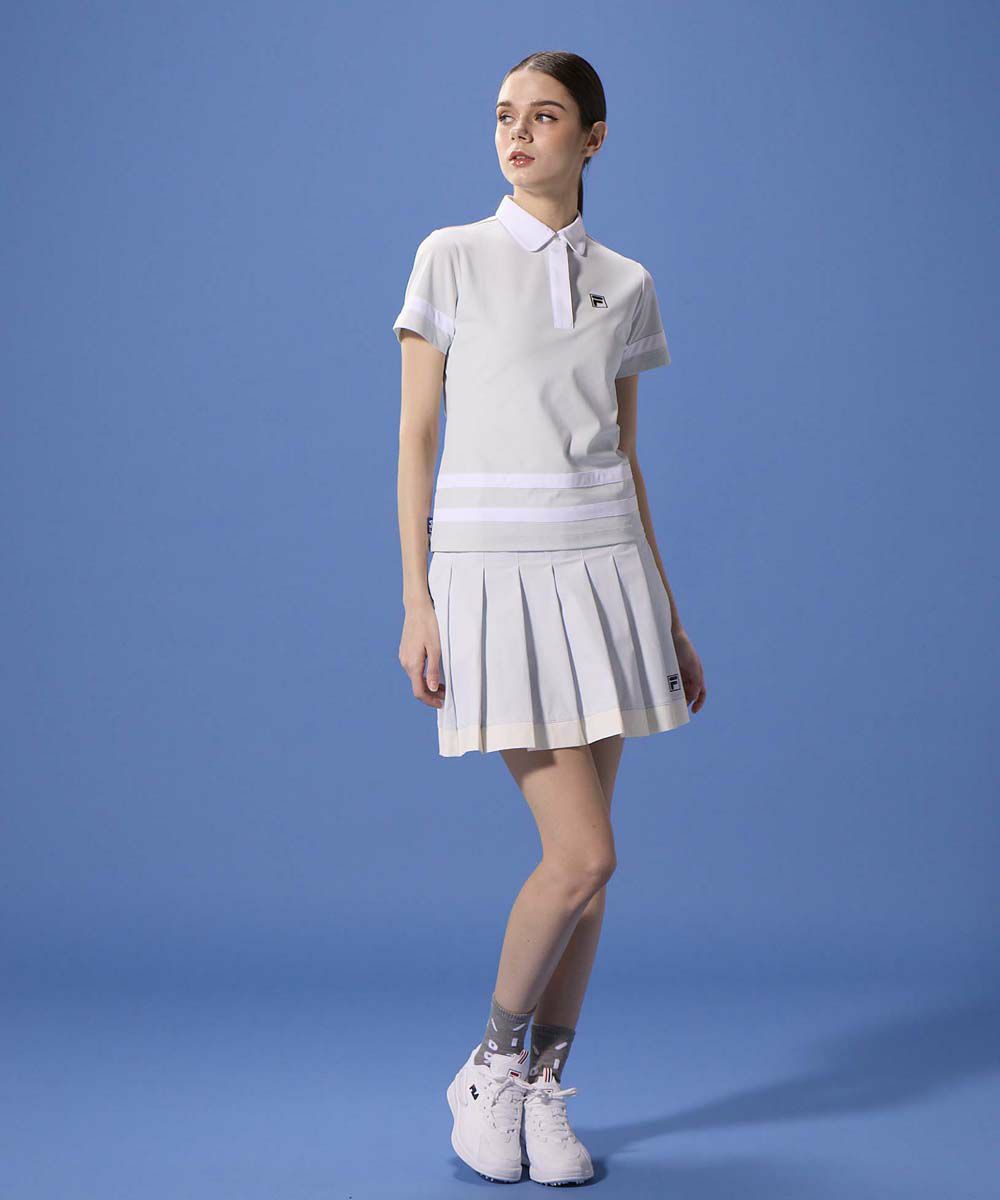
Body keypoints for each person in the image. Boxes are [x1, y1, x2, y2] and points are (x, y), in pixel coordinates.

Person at [393, 50, 707, 1185]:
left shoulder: (627, 282)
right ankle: (485, 1067)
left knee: (593, 873)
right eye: (503, 116)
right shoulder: (451, 255)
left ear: (594, 137)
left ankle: (541, 1086)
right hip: (493, 578)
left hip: (605, 574)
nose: (517, 134)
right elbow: (415, 438)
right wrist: (419, 598)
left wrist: (668, 616)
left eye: (544, 115)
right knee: (580, 854)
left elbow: (625, 458)